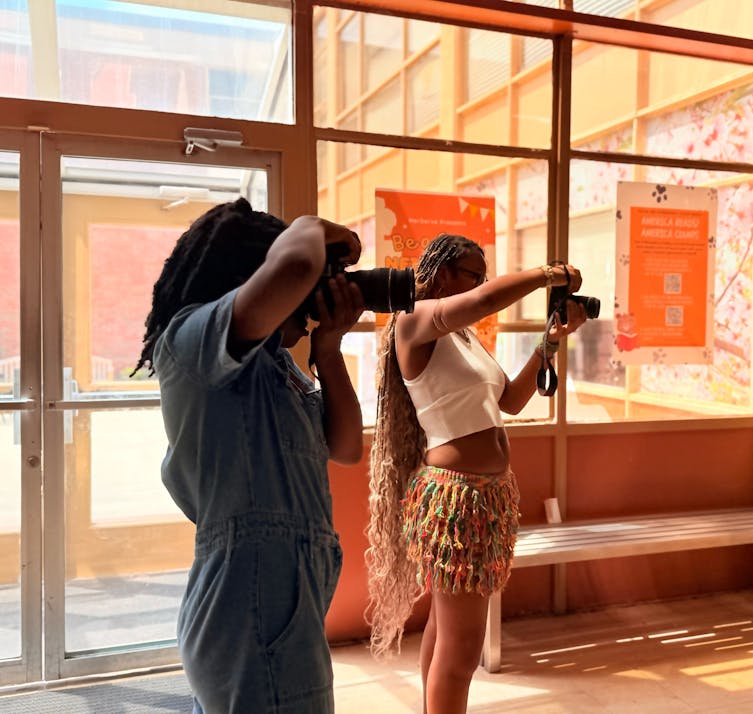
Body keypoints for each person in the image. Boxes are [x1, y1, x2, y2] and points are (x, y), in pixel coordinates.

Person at [132, 198, 365, 714]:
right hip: (250, 605)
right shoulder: (189, 338)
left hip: (278, 604)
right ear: (251, 277)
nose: (307, 303)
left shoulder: (274, 367)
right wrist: (309, 225)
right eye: (303, 295)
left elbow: (347, 448)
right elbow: (297, 266)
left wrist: (327, 351)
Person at [365, 233, 587, 714]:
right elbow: (483, 302)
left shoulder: (463, 337)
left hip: (486, 497)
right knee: (464, 649)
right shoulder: (413, 322)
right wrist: (549, 274)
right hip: (456, 499)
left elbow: (509, 401)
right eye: (472, 275)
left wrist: (549, 342)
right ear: (443, 274)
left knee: (447, 632)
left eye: (482, 278)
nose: (480, 286)